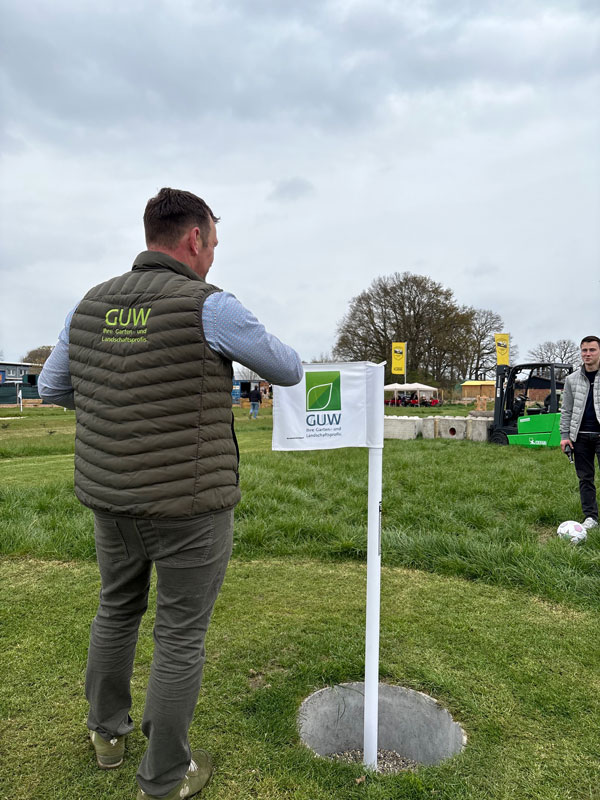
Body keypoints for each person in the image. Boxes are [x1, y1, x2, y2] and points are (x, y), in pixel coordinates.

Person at [38, 188, 303, 800]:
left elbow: (53, 388)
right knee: (180, 635)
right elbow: (287, 368)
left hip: (112, 499)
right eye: (213, 242)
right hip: (189, 506)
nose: (213, 255)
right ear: (194, 239)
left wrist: (118, 407)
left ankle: (106, 736)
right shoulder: (210, 306)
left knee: (116, 610)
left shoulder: (89, 304)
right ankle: (163, 776)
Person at [560, 335, 600, 533]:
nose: (588, 354)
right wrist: (564, 436)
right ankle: (591, 517)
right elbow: (566, 410)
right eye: (584, 350)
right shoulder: (571, 380)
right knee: (585, 479)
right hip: (581, 437)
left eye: (592, 350)